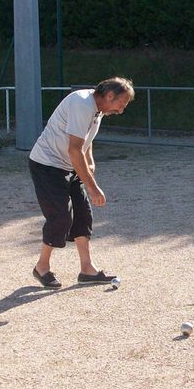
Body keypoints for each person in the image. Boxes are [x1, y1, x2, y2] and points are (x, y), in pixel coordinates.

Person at [27, 77, 135, 288]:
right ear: (109, 96)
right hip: (47, 165)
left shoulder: (98, 109)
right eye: (121, 104)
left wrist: (91, 160)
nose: (121, 110)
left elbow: (86, 140)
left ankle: (87, 269)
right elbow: (74, 149)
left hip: (69, 165)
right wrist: (92, 186)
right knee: (60, 217)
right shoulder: (82, 104)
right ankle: (42, 267)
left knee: (83, 214)